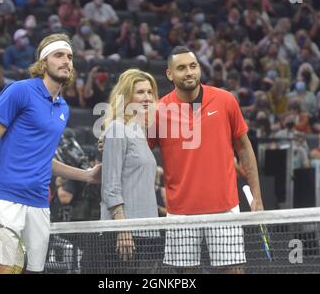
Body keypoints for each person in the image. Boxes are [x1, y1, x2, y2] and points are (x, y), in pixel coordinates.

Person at [0, 33, 101, 274]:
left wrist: (87, 175)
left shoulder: (64, 108)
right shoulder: (19, 91)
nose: (66, 61)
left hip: (40, 203)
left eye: (70, 56)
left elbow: (45, 160)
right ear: (43, 63)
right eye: (59, 55)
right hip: (5, 200)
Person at [150, 46, 264, 273]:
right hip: (180, 211)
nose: (189, 72)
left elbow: (244, 148)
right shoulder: (159, 110)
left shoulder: (225, 100)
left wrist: (257, 197)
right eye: (181, 68)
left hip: (225, 207)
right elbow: (140, 153)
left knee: (233, 271)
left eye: (193, 66)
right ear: (170, 74)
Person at [100, 69, 161, 273]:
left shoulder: (141, 133)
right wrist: (122, 229)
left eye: (150, 92)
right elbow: (111, 186)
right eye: (140, 92)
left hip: (148, 231)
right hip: (125, 233)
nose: (147, 97)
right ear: (127, 97)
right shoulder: (117, 128)